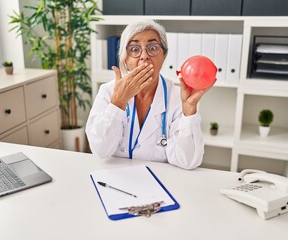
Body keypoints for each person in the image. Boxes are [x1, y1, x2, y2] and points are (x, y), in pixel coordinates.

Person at [86, 19, 214, 170]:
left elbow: (187, 162)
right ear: (125, 60)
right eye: (134, 49)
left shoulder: (177, 96)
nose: (144, 56)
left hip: (161, 183)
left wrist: (190, 110)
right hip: (116, 178)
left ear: (164, 56)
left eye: (153, 47)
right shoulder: (108, 91)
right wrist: (117, 103)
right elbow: (100, 150)